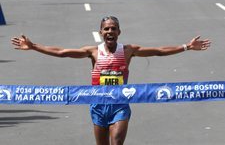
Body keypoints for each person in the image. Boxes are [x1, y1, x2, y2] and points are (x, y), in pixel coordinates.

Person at [11, 16, 211, 145]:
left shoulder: (128, 50)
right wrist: (34, 46)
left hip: (119, 105)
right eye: (106, 29)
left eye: (113, 28)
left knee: (116, 142)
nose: (110, 32)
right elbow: (62, 53)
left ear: (119, 32)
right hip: (97, 105)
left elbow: (159, 51)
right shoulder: (93, 52)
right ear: (101, 32)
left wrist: (186, 46)